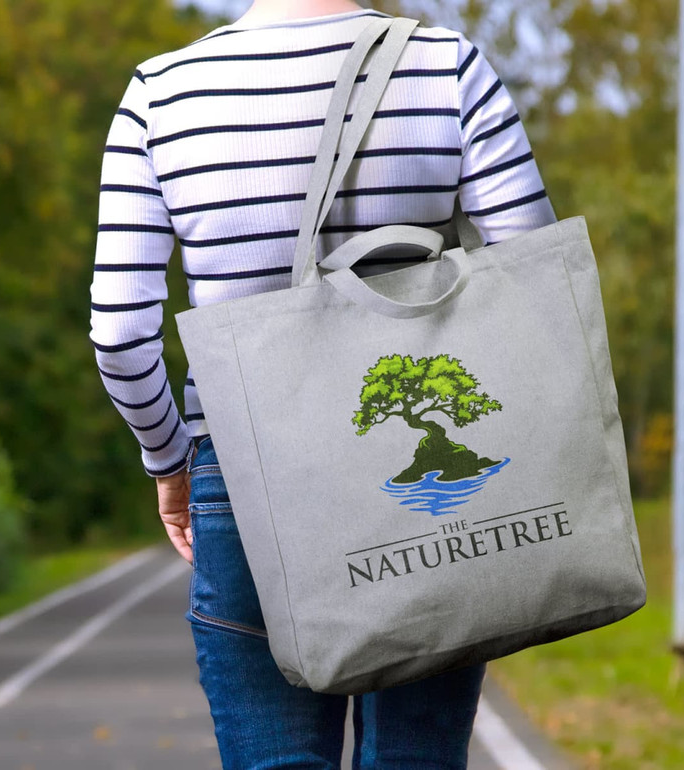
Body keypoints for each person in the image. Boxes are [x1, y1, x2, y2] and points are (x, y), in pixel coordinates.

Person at [90, 0, 556, 766]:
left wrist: (171, 463)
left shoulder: (161, 94)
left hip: (244, 475)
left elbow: (118, 333)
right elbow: (535, 287)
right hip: (430, 505)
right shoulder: (448, 68)